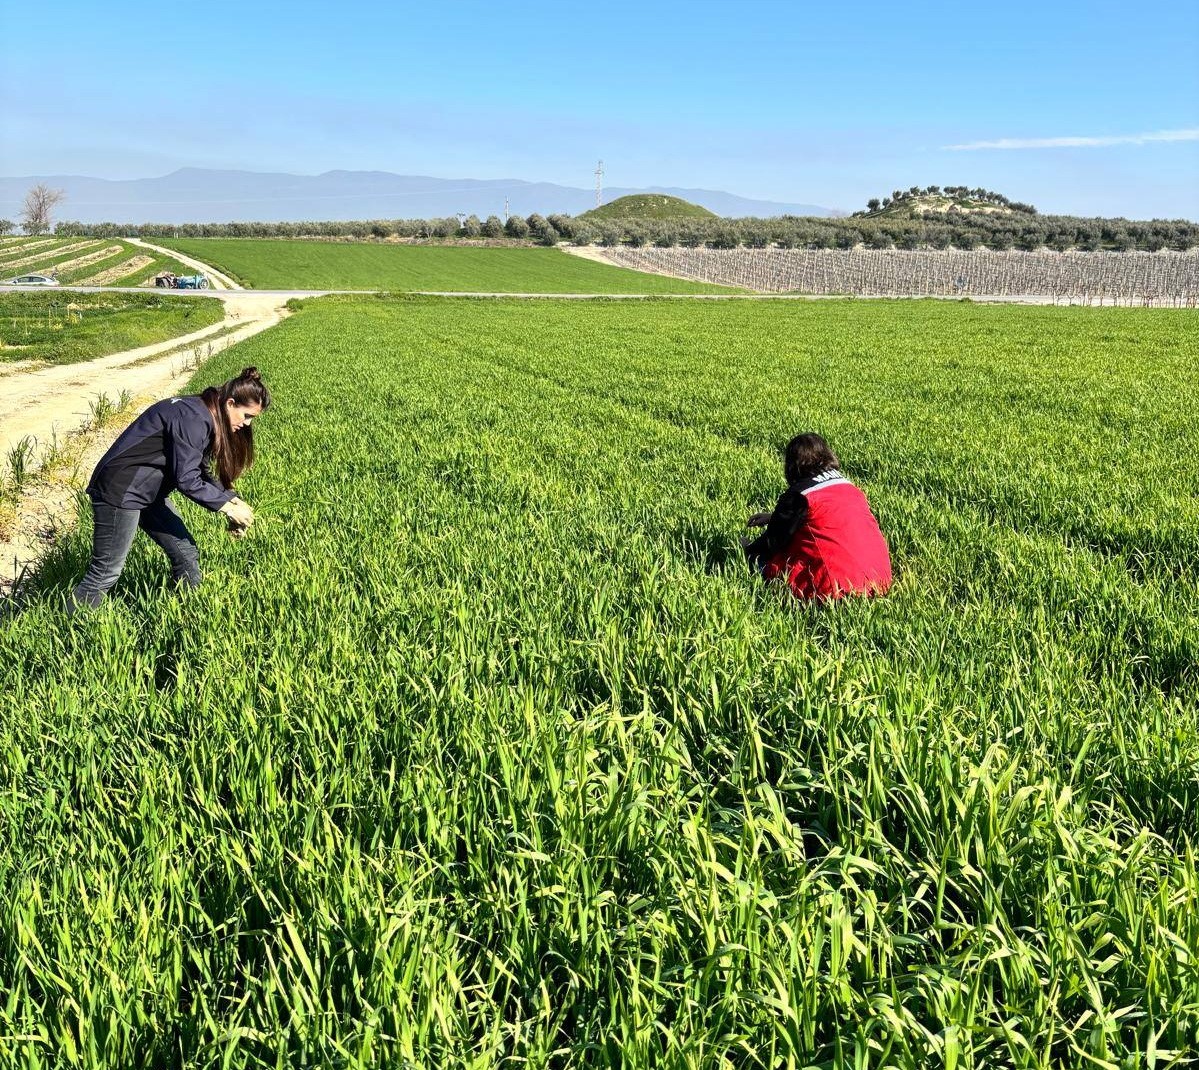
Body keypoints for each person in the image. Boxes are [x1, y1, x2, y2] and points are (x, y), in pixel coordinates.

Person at [68, 366, 271, 612]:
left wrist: (232, 499)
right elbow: (187, 479)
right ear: (230, 403)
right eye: (247, 415)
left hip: (148, 493)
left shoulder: (204, 412)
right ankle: (66, 630)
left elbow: (200, 469)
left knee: (185, 553)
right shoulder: (194, 418)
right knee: (106, 571)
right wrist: (226, 508)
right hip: (120, 491)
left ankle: (187, 616)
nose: (247, 424)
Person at [743, 432, 892, 601]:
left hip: (836, 588)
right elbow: (828, 517)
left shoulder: (799, 494)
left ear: (792, 465)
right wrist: (774, 516)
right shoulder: (849, 486)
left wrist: (747, 549)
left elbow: (773, 542)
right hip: (880, 580)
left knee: (763, 562)